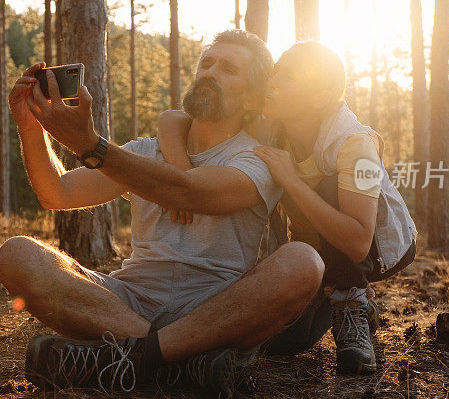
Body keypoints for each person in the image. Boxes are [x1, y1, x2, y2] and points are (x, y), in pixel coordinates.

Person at [0, 30, 326, 395]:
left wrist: (90, 145)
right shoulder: (144, 153)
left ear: (251, 95)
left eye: (228, 69)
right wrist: (29, 126)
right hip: (126, 303)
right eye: (206, 63)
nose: (210, 73)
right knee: (16, 254)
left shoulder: (256, 159)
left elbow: (188, 191)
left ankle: (133, 357)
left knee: (304, 262)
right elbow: (56, 192)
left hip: (214, 310)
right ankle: (177, 363)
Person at [157, 41, 416, 375]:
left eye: (288, 77)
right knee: (283, 342)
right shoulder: (272, 122)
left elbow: (358, 242)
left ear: (320, 97)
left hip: (379, 250)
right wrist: (181, 177)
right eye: (276, 70)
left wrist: (291, 181)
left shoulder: (357, 146)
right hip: (311, 251)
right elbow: (173, 118)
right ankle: (342, 297)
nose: (273, 81)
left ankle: (351, 303)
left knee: (328, 186)